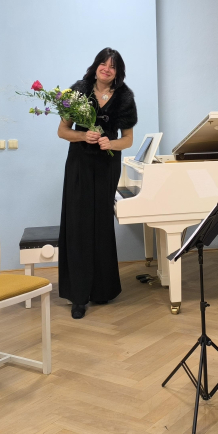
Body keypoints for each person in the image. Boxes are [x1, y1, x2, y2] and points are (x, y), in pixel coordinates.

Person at [57, 48, 137, 319]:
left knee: (101, 223)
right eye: (103, 64)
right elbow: (62, 131)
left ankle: (102, 289)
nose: (107, 69)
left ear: (118, 71)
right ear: (96, 66)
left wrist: (110, 143)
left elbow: (128, 139)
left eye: (112, 66)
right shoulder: (78, 91)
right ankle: (79, 296)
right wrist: (84, 136)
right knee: (79, 223)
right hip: (79, 163)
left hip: (107, 165)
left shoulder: (125, 97)